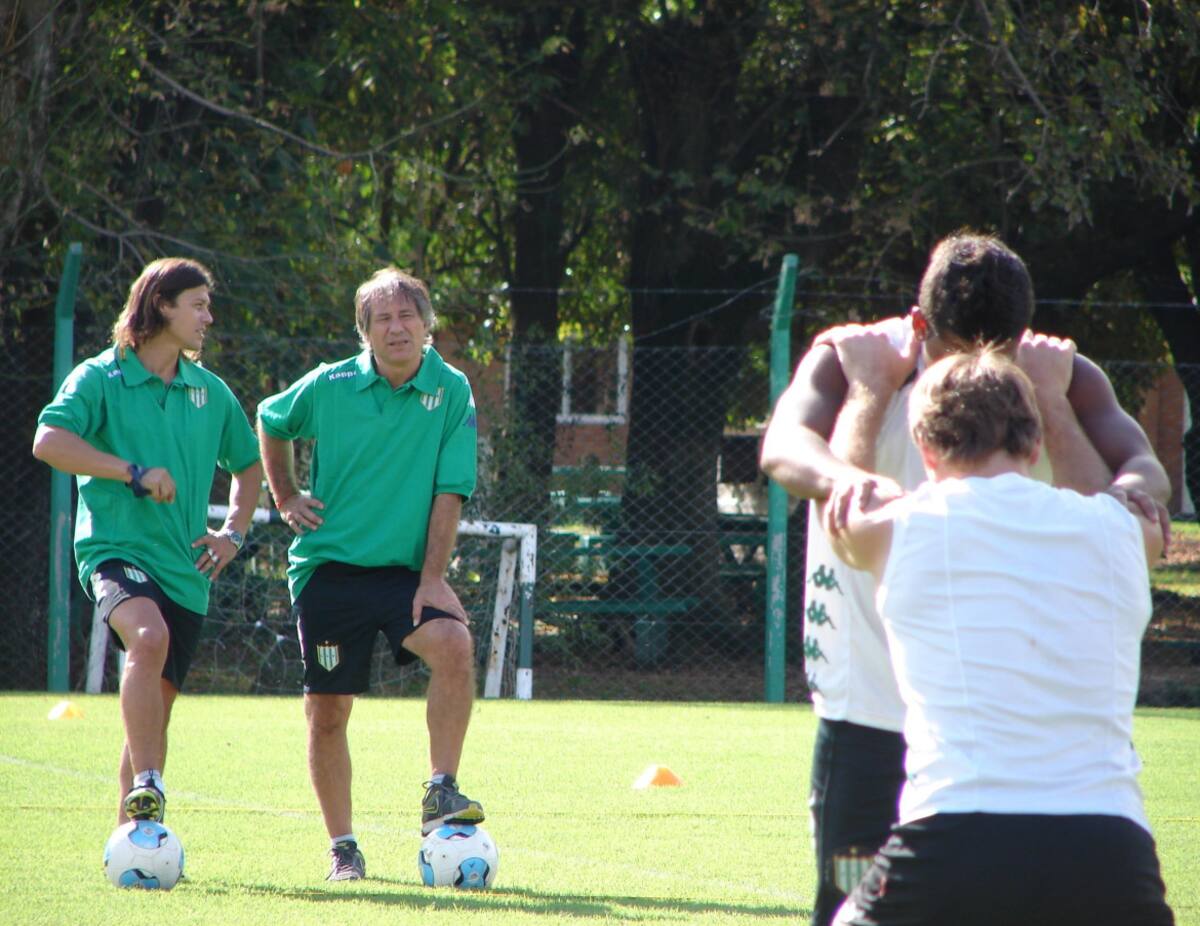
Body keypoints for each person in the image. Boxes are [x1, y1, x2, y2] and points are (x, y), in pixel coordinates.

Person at [758, 232, 1170, 926]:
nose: (984, 369)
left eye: (1003, 352)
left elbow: (1140, 480)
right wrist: (853, 470)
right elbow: (784, 445)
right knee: (846, 896)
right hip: (873, 713)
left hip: (1007, 723)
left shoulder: (1053, 380)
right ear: (921, 329)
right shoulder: (859, 357)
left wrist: (1053, 400)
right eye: (959, 350)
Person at [821, 349, 1173, 925]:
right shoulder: (1125, 533)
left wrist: (866, 386)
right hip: (1108, 847)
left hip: (956, 831)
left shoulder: (893, 529)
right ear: (1033, 447)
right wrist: (1057, 398)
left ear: (926, 453)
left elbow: (843, 494)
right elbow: (1135, 476)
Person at [257, 267, 481, 882]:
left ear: (427, 325)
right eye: (382, 318)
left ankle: (441, 788)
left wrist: (433, 579)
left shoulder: (451, 388)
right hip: (329, 572)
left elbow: (450, 489)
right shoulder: (329, 386)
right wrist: (285, 496)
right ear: (365, 332)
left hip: (406, 575)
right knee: (328, 712)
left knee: (455, 644)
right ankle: (344, 848)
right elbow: (271, 420)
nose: (397, 327)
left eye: (407, 315)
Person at [32, 257, 262, 825]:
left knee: (153, 714)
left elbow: (249, 467)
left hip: (185, 571)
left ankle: (134, 835)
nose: (209, 317)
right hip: (116, 551)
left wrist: (233, 533)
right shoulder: (99, 377)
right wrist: (131, 472)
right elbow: (49, 441)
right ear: (162, 304)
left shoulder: (209, 391)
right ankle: (151, 783)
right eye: (199, 305)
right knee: (147, 634)